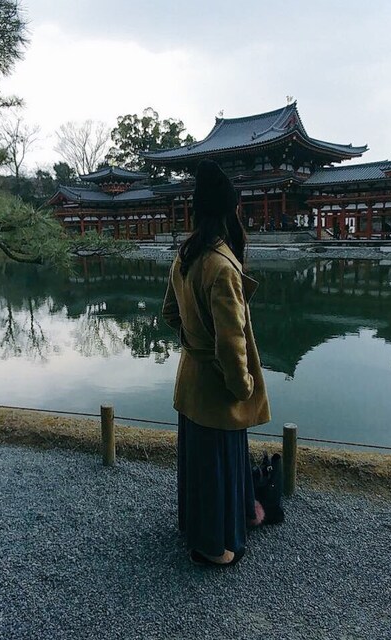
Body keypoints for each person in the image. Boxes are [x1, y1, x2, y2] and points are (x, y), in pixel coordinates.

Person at [162, 160, 271, 567]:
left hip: (191, 380)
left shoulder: (186, 257)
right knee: (218, 463)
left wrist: (194, 343)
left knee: (202, 462)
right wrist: (242, 385)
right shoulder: (223, 267)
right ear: (229, 211)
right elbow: (231, 342)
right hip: (218, 386)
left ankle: (203, 526)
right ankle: (214, 547)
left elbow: (170, 314)